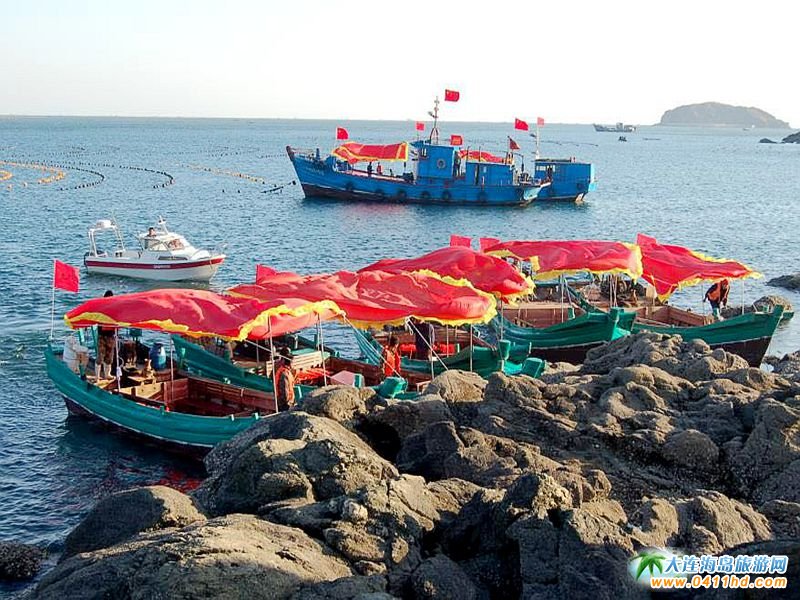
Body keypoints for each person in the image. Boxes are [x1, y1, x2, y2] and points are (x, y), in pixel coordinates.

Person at [96, 290, 116, 380]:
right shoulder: (101, 308)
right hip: (102, 336)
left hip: (111, 336)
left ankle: (107, 374)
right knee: (100, 356)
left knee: (109, 357)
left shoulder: (113, 308)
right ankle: (97, 376)